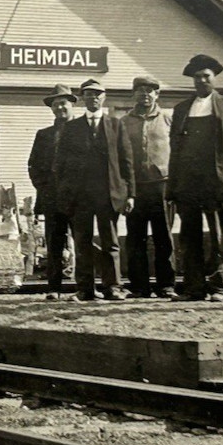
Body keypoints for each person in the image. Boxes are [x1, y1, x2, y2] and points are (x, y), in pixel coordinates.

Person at [167, 54, 223, 302]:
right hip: (187, 183)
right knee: (189, 237)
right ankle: (193, 288)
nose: (201, 81)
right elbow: (175, 148)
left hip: (215, 183)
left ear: (214, 78)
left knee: (218, 236)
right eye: (197, 77)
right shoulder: (181, 110)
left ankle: (220, 287)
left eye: (206, 76)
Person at [54, 78, 135, 301]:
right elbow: (60, 166)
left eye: (97, 94)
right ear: (83, 99)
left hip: (109, 196)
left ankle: (113, 287)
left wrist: (130, 194)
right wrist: (66, 194)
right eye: (88, 95)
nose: (94, 98)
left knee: (111, 243)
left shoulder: (116, 125)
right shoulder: (71, 128)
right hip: (81, 198)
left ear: (104, 97)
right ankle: (85, 289)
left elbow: (127, 162)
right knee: (83, 243)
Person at [119, 74, 176, 298]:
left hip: (162, 186)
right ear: (134, 94)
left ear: (157, 94)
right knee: (135, 239)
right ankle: (139, 286)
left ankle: (166, 285)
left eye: (150, 90)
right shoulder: (124, 122)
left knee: (164, 237)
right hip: (135, 188)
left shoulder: (168, 119)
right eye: (141, 90)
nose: (145, 95)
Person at [28, 83, 77, 300]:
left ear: (72, 104)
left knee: (82, 242)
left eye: (63, 103)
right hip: (53, 198)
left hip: (78, 198)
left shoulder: (83, 131)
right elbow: (33, 165)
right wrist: (45, 188)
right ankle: (54, 288)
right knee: (55, 244)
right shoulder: (44, 135)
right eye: (56, 105)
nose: (60, 108)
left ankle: (84, 287)